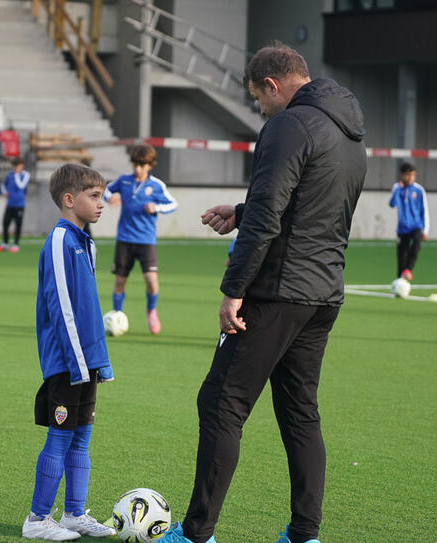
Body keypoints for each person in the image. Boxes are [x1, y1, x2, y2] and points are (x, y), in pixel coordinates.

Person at [158, 43, 366, 543]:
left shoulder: (288, 125)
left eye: (257, 99)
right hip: (323, 293)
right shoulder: (350, 132)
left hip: (275, 292)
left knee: (221, 405)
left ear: (272, 86)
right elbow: (307, 202)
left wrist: (234, 290)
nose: (260, 110)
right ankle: (304, 535)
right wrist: (242, 207)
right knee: (300, 412)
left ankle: (196, 534)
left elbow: (273, 215)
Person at [22, 163, 116, 542]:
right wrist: (79, 362)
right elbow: (62, 306)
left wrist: (99, 361)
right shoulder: (60, 241)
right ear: (68, 199)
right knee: (60, 438)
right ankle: (37, 519)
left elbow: (88, 308)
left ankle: (75, 513)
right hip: (67, 361)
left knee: (82, 439)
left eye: (102, 196)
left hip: (87, 360)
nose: (101, 203)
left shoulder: (85, 242)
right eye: (94, 196)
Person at [103, 144, 177, 335]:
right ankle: (117, 315)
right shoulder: (124, 181)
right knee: (120, 280)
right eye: (135, 164)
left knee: (151, 280)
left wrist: (156, 207)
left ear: (150, 165)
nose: (137, 168)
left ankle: (151, 311)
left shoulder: (156, 186)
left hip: (146, 240)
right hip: (124, 239)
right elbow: (105, 190)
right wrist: (110, 198)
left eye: (142, 165)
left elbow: (172, 204)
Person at [388, 162, 429, 280]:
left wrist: (425, 230)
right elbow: (391, 204)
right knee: (401, 257)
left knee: (416, 243)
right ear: (402, 175)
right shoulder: (397, 188)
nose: (411, 178)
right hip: (402, 228)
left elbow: (424, 210)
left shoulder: (419, 190)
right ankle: (400, 282)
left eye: (413, 175)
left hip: (416, 226)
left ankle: (408, 269)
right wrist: (397, 190)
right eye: (408, 175)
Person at [0, 157, 30, 253]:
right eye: (14, 166)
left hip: (19, 204)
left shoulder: (25, 175)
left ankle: (15, 245)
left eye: (17, 166)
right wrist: (5, 192)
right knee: (5, 223)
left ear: (21, 166)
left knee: (18, 224)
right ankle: (5, 244)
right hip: (10, 204)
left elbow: (21, 186)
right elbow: (3, 185)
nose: (16, 168)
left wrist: (16, 175)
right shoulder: (9, 175)